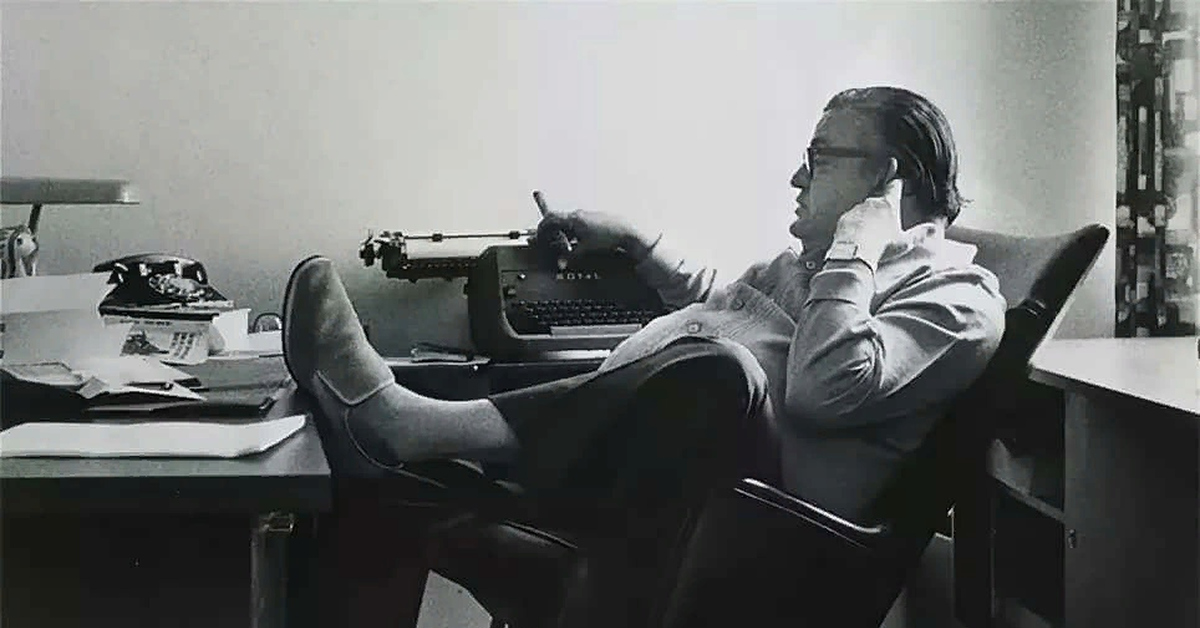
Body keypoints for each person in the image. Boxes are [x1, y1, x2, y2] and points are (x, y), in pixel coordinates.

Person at [281, 85, 1007, 525]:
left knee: (719, 369)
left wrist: (855, 245)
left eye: (818, 157)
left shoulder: (958, 298)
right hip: (683, 466)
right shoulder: (816, 271)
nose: (797, 177)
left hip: (767, 514)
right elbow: (738, 309)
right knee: (400, 447)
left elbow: (819, 389)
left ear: (886, 180)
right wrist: (635, 241)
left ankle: (407, 428)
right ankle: (399, 424)